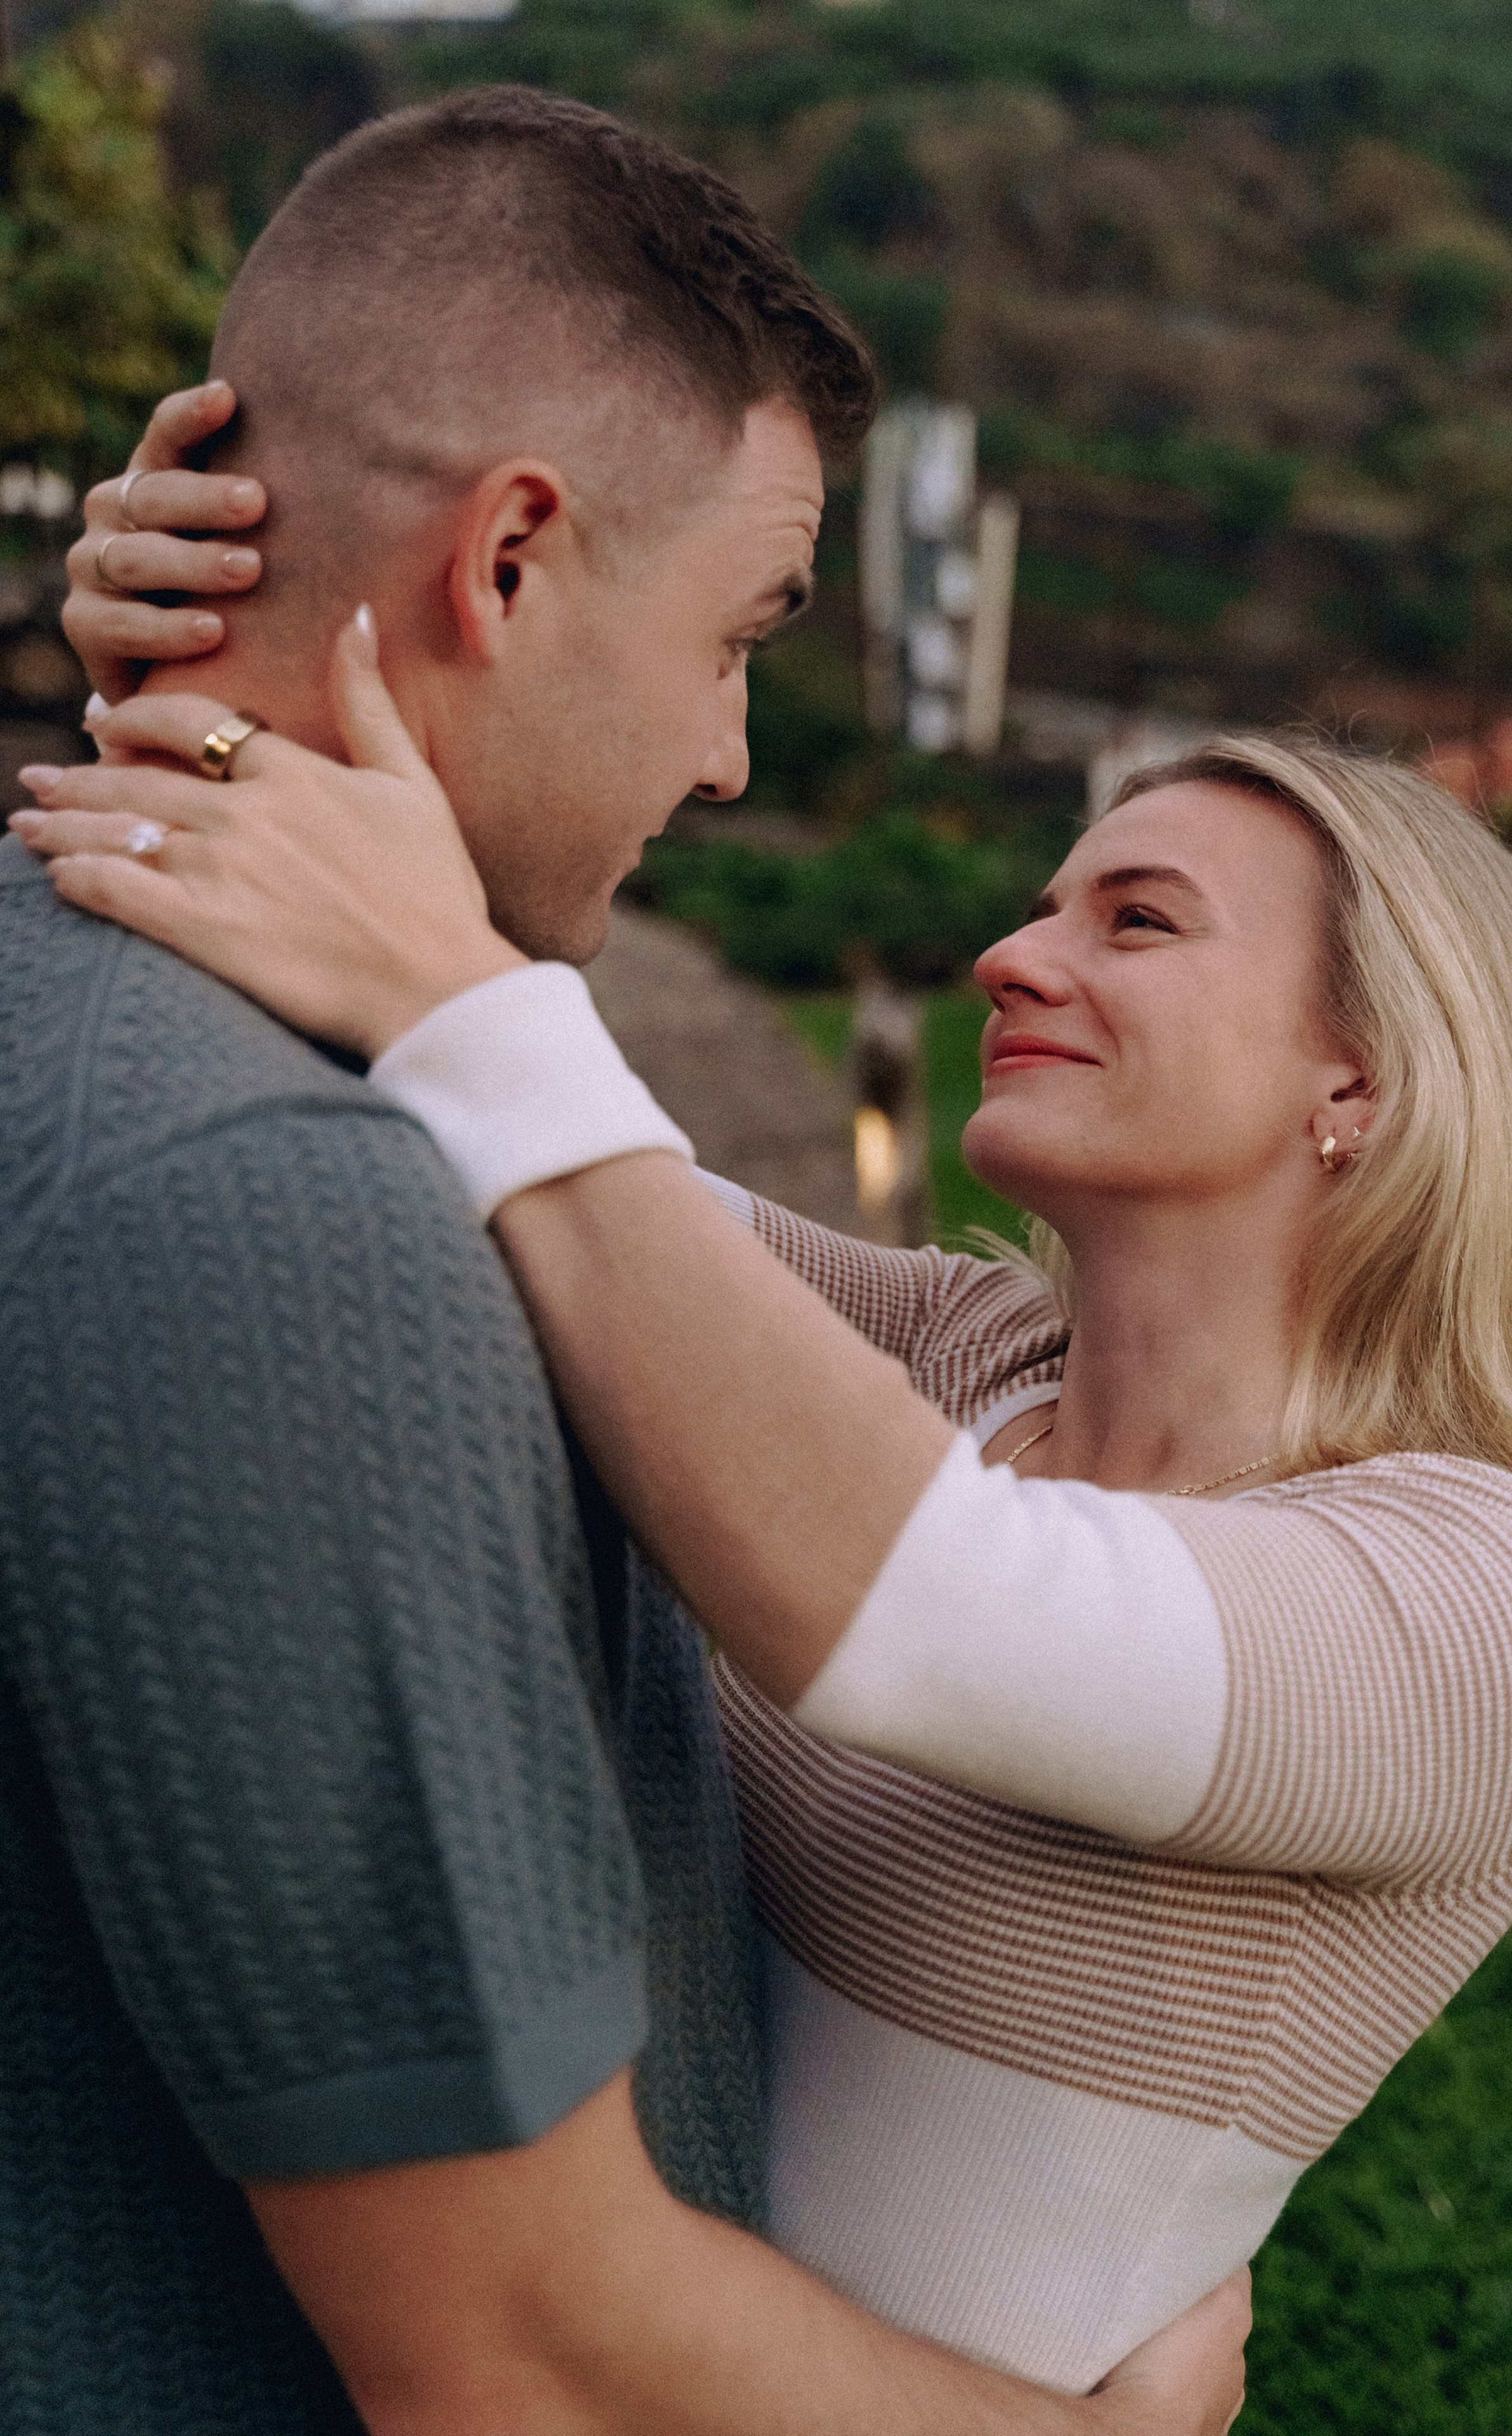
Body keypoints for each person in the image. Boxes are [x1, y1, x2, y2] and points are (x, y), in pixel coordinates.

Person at [40, 445, 1512, 2387]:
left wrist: (450, 976)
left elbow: (919, 1598)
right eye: (1045, 904)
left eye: (1134, 921)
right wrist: (229, 683)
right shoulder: (971, 1364)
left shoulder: (1510, 1592)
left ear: (1364, 1081)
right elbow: (509, 1142)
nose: (1011, 955)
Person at [0, 90, 1249, 2436]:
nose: (735, 758)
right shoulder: (280, 1210)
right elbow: (525, 2358)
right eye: (741, 635)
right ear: (509, 562)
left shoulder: (218, 1061)